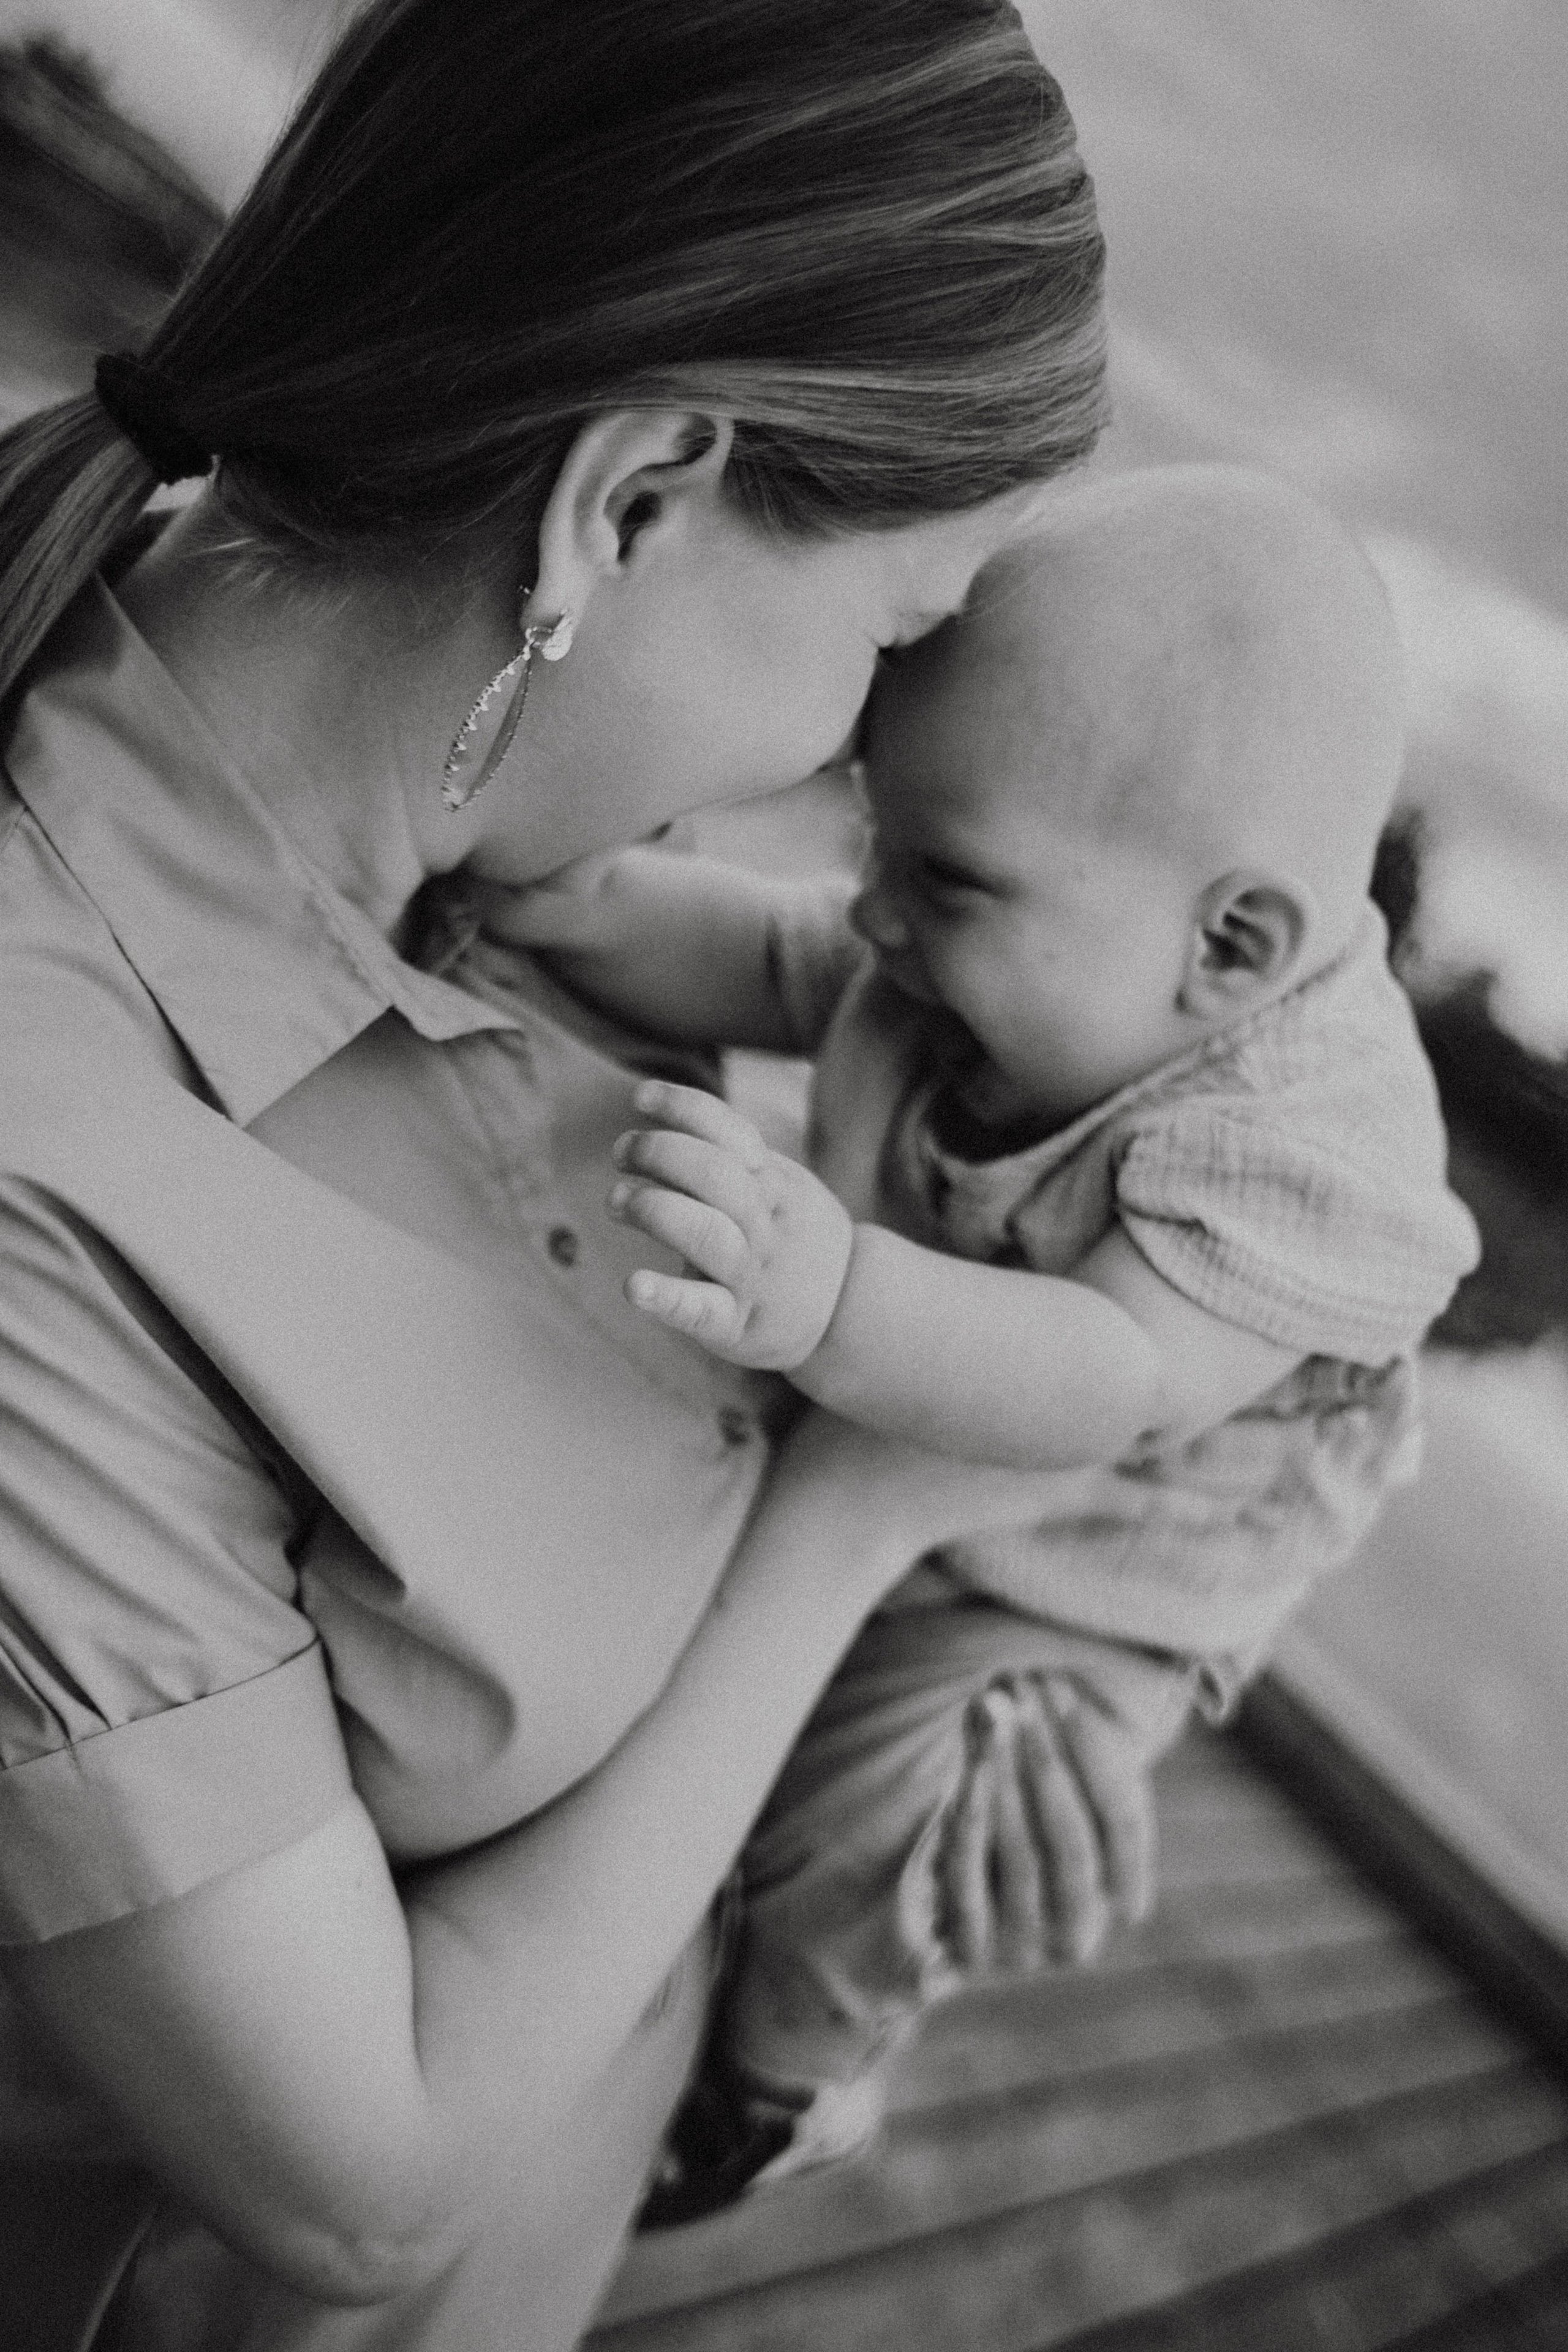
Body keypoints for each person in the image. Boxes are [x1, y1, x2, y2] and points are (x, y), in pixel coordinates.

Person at [0, 3, 1115, 2345]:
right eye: (890, 641)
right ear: (627, 501)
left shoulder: (479, 866)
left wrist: (863, 1875)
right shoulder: (38, 1173)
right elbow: (363, 2187)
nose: (841, 773)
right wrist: (863, 1505)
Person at [486, 466, 1482, 2184]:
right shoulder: (1027, 949)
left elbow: (1113, 1375)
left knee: (895, 1819)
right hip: (912, 1453)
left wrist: (838, 1296)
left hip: (1075, 1585)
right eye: (880, 839)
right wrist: (577, 904)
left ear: (1231, 945)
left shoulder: (1298, 1150)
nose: (878, 904)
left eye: (941, 876)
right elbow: (783, 959)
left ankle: (774, 2091)